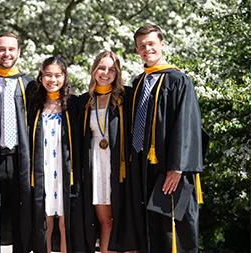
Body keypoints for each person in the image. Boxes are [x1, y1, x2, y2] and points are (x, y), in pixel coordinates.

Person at [129, 24, 204, 253]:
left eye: (151, 43)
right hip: (144, 166)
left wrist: (177, 168)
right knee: (151, 226)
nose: (147, 49)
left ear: (162, 44)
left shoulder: (179, 81)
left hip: (170, 169)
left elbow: (187, 125)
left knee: (174, 228)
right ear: (137, 51)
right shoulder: (139, 83)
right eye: (142, 46)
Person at [0, 32, 34, 253]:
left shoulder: (29, 84)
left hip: (21, 158)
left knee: (21, 207)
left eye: (11, 49)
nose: (6, 53)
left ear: (18, 52)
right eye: (2, 49)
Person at [78, 51, 134, 253]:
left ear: (117, 73)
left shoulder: (125, 98)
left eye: (111, 69)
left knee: (124, 221)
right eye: (102, 67)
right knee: (105, 222)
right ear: (94, 70)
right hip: (96, 166)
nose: (106, 73)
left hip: (120, 167)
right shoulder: (84, 101)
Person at [28, 56, 84, 253]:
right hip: (43, 166)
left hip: (64, 168)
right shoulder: (35, 105)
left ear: (64, 77)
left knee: (64, 221)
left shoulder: (73, 104)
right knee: (45, 220)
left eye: (57, 75)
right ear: (41, 77)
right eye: (48, 75)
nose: (52, 80)